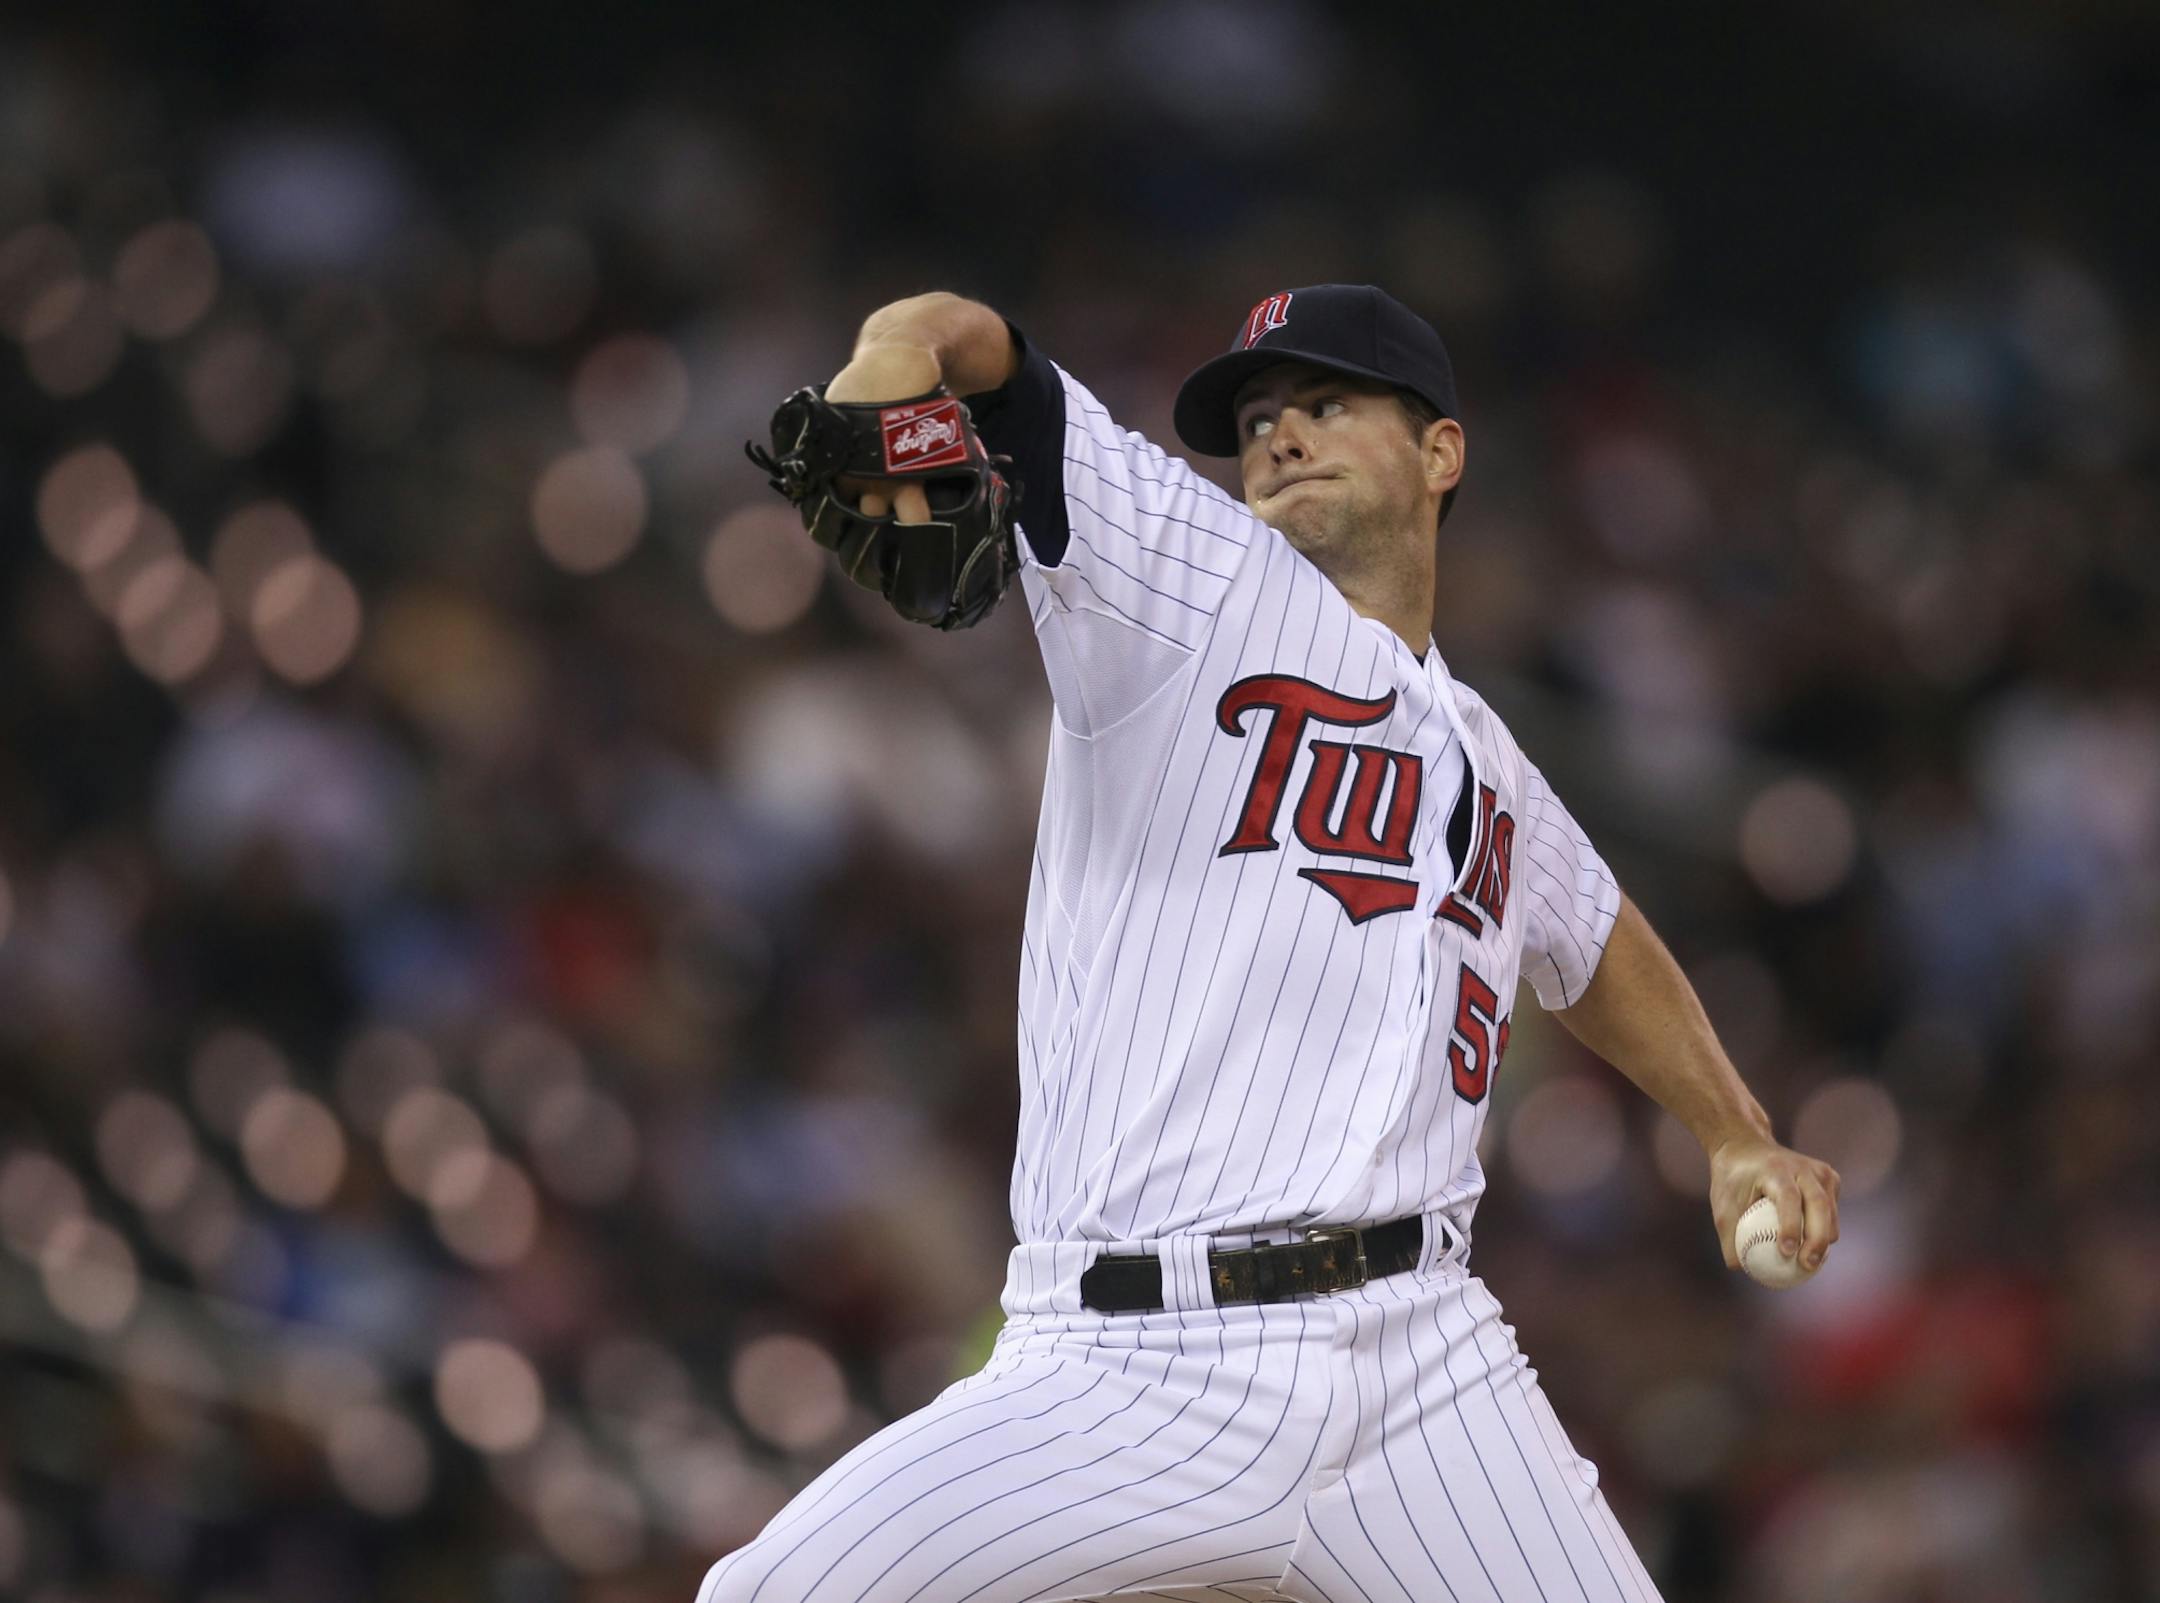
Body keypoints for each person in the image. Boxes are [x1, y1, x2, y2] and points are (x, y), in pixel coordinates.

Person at [701, 284, 1841, 1603]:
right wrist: (892, 360)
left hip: (1426, 1365)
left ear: (1441, 453)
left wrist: (1735, 1131)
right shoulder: (1191, 577)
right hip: (1135, 1362)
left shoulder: (1486, 754)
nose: (1279, 436)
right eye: (1256, 420)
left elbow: (1593, 941)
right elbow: (970, 337)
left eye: (1325, 405)